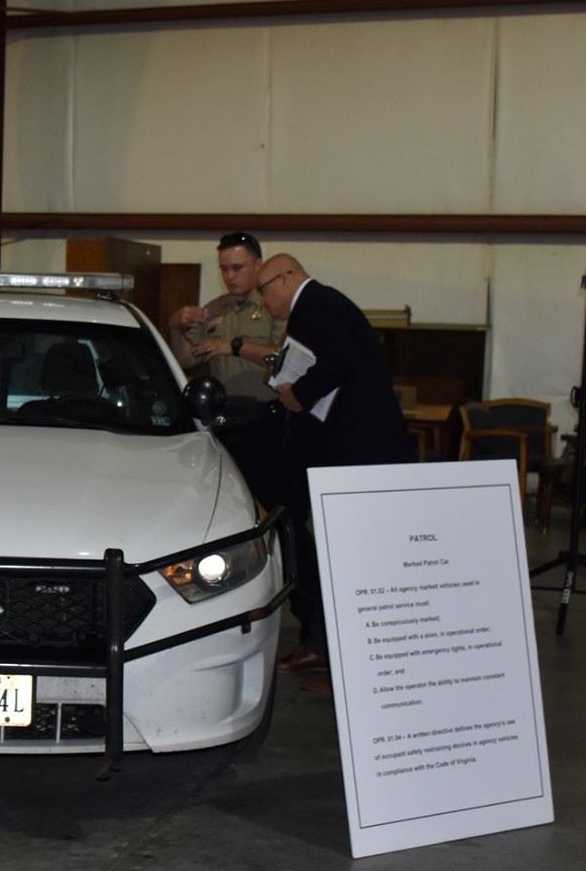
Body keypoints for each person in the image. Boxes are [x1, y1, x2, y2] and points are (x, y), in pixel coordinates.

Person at [253, 254, 414, 679]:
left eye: (263, 291)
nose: (263, 303)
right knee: (343, 553)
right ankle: (330, 649)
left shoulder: (315, 305)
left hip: (359, 452)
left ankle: (335, 654)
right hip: (358, 450)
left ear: (285, 278)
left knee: (347, 555)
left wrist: (298, 394)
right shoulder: (324, 304)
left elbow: (340, 361)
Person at [169, 232, 289, 511]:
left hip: (265, 417)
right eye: (224, 269)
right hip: (223, 417)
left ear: (258, 266)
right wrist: (175, 326)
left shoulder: (273, 306)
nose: (229, 276)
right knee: (226, 500)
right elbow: (184, 358)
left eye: (237, 268)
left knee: (270, 499)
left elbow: (283, 358)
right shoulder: (215, 308)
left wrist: (234, 347)